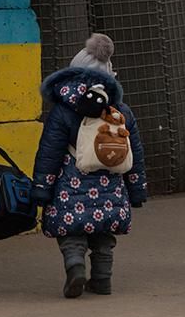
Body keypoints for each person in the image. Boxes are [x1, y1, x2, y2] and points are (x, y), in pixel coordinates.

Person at [32, 33, 147, 298]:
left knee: (72, 232)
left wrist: (41, 188)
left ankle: (75, 267)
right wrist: (137, 189)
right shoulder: (120, 110)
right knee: (104, 235)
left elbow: (49, 152)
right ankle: (102, 280)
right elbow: (136, 153)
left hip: (70, 185)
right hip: (111, 187)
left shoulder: (63, 110)